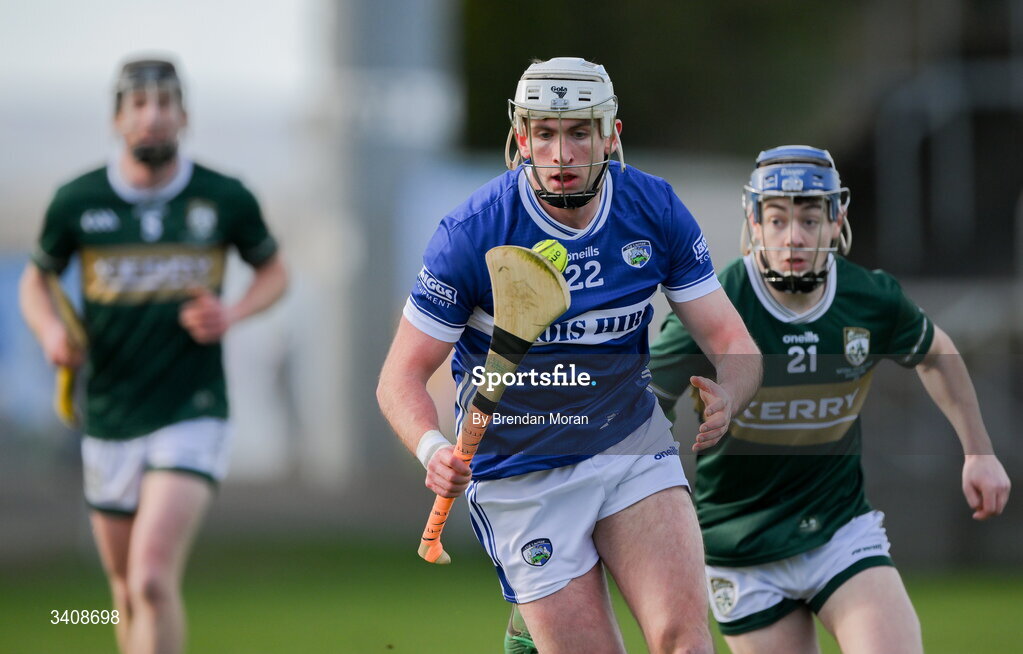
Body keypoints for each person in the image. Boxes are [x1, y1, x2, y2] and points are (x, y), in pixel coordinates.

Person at [377, 57, 761, 654]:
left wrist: (731, 392)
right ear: (522, 137)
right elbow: (399, 375)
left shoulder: (652, 210)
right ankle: (529, 626)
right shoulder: (473, 232)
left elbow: (732, 341)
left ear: (611, 135)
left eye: (579, 132)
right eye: (546, 133)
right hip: (519, 474)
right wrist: (431, 448)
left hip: (629, 446)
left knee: (684, 642)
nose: (561, 154)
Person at [647, 145, 1011, 654]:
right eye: (777, 219)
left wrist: (979, 452)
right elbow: (642, 407)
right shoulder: (717, 308)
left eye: (809, 218)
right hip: (740, 544)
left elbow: (935, 354)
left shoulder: (869, 298)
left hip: (839, 531)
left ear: (836, 219)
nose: (793, 236)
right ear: (754, 221)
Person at [18, 57, 288, 654]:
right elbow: (35, 282)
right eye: (139, 104)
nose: (153, 116)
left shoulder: (222, 196)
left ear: (184, 115)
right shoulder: (77, 201)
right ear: (117, 118)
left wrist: (232, 313)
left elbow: (275, 272)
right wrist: (49, 334)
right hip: (110, 413)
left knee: (151, 578)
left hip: (192, 409)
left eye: (165, 103)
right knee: (124, 591)